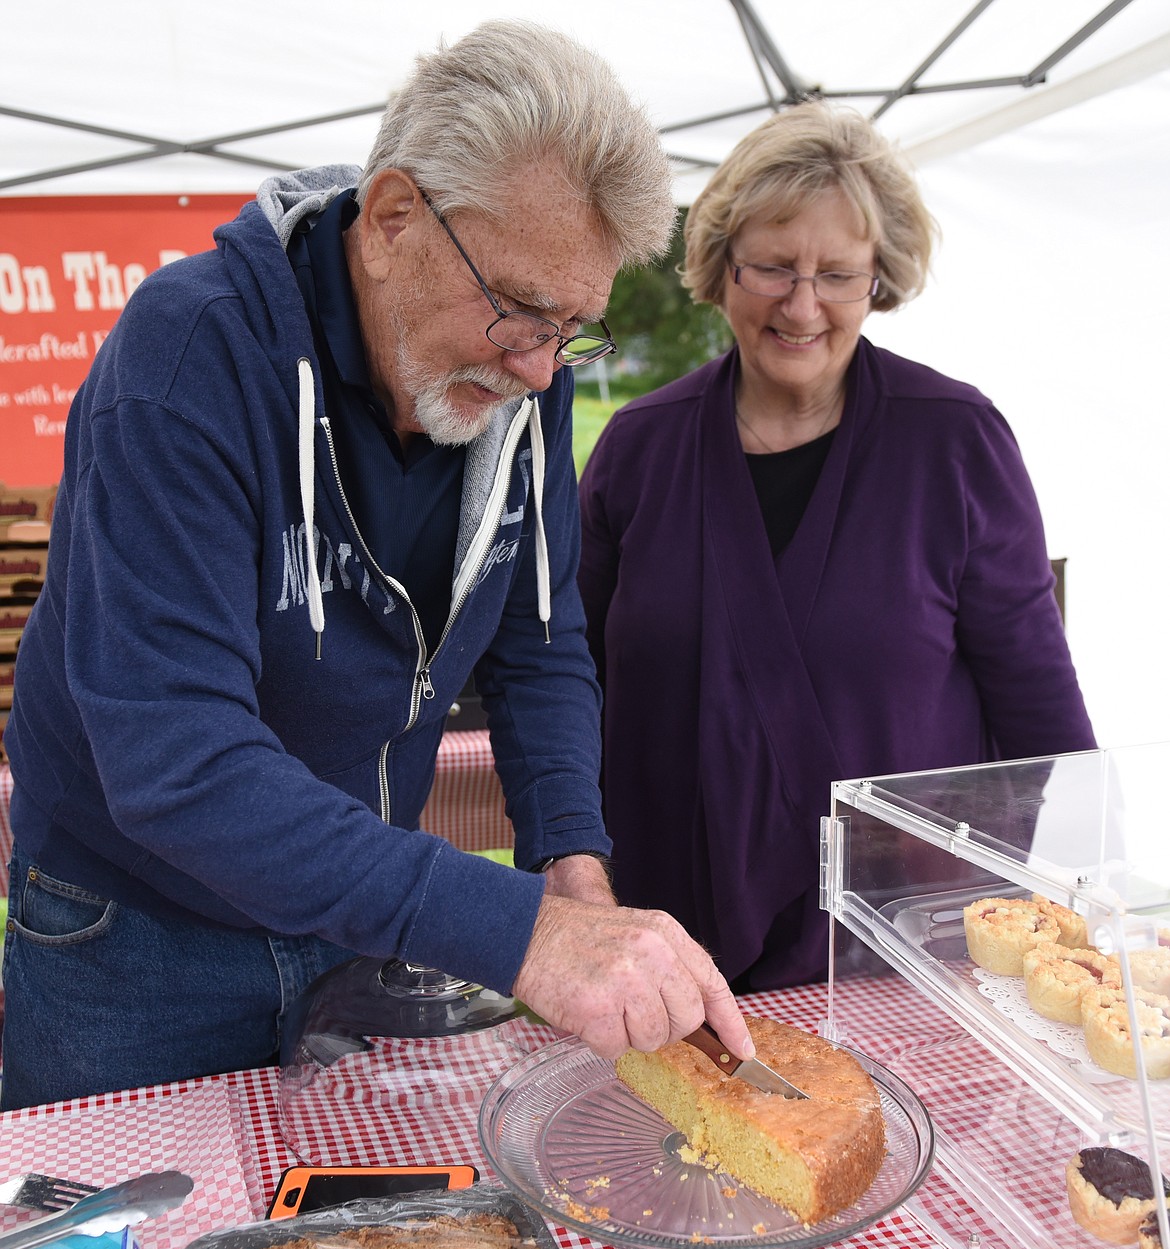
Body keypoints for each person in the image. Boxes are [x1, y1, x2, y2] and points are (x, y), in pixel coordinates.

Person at [0, 20, 753, 1110]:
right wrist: (520, 932)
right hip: (135, 932)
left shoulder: (522, 381)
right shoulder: (186, 363)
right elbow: (180, 761)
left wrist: (571, 869)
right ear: (395, 215)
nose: (541, 368)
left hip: (358, 913)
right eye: (519, 310)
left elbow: (540, 641)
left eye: (574, 328)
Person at [577, 101, 1096, 994]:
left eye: (839, 275)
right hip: (669, 951)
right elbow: (567, 678)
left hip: (898, 957)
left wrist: (1046, 934)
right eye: (773, 267)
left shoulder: (955, 442)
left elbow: (1041, 719)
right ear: (723, 269)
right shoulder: (639, 447)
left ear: (878, 279)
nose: (803, 304)